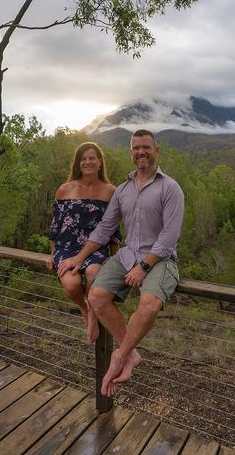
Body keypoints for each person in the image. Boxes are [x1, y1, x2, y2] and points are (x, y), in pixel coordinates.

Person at [57, 129, 184, 397]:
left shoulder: (170, 188)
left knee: (148, 304)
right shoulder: (123, 190)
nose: (141, 152)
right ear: (131, 152)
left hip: (159, 259)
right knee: (97, 296)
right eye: (136, 148)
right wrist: (78, 258)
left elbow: (169, 237)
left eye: (146, 147)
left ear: (156, 150)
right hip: (128, 255)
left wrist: (144, 267)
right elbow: (104, 229)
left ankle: (119, 357)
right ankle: (132, 354)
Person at [47, 142, 121, 344]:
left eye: (92, 158)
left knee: (93, 273)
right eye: (84, 158)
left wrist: (115, 258)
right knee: (71, 286)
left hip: (95, 249)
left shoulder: (111, 192)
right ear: (78, 163)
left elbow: (112, 229)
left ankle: (94, 318)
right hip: (66, 247)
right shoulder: (65, 190)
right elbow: (56, 226)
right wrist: (52, 254)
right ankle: (85, 307)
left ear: (100, 162)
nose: (88, 162)